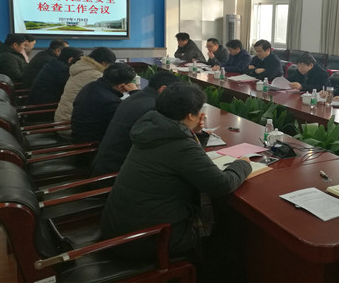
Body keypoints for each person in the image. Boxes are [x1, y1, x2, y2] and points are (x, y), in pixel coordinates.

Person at [100, 83, 251, 263]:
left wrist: (195, 133)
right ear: (191, 115)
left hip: (119, 227)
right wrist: (243, 164)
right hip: (148, 238)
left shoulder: (153, 129)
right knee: (229, 228)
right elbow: (222, 185)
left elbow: (185, 160)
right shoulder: (179, 144)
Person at [90, 70, 180, 177]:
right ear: (163, 89)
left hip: (102, 164)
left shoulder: (135, 97)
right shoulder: (153, 109)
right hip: (116, 173)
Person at [71, 63, 138, 143]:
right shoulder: (110, 102)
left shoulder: (91, 86)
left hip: (79, 135)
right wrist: (135, 92)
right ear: (121, 86)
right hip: (94, 144)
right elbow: (134, 117)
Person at [54, 47, 116, 123]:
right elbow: (110, 97)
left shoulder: (80, 68)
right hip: (73, 123)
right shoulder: (95, 75)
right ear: (104, 63)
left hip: (63, 117)